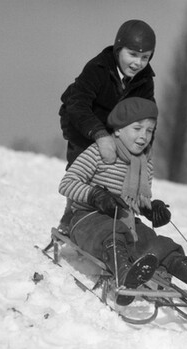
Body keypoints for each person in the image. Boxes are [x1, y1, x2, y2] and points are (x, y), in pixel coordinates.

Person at [58, 97, 187, 309]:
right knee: (111, 233)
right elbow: (67, 183)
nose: (144, 136)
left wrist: (151, 209)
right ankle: (125, 276)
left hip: (125, 220)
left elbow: (137, 201)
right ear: (117, 130)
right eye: (137, 128)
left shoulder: (144, 164)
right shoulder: (98, 153)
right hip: (87, 220)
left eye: (149, 130)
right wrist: (96, 195)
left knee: (161, 246)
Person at [56, 19, 158, 234]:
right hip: (83, 121)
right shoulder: (98, 68)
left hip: (118, 126)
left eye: (145, 57)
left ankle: (116, 211)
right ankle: (73, 212)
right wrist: (100, 135)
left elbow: (148, 116)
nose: (138, 63)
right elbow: (79, 104)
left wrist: (145, 148)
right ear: (119, 49)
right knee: (86, 161)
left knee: (119, 165)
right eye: (132, 54)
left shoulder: (145, 80)